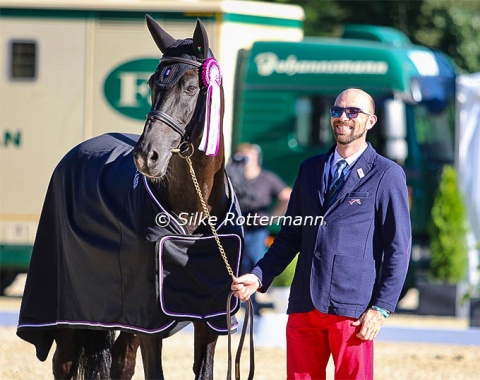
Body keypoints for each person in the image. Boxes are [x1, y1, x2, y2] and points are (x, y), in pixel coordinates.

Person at [231, 88, 411, 379]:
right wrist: (259, 275)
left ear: (371, 121)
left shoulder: (387, 174)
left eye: (353, 112)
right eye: (337, 111)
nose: (343, 118)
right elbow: (290, 237)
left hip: (353, 307)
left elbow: (398, 247)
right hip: (304, 303)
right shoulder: (310, 169)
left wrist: (382, 307)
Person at [227, 143, 291, 315]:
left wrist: (272, 218)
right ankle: (234, 305)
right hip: (235, 228)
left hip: (256, 229)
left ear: (257, 157)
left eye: (249, 155)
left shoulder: (266, 178)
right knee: (234, 265)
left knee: (255, 263)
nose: (245, 160)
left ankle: (252, 306)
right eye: (242, 155)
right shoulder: (231, 177)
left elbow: (286, 195)